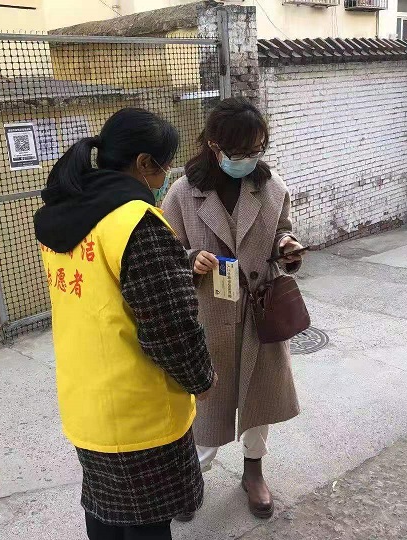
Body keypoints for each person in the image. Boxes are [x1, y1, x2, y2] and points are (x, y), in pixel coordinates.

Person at [34, 108, 216, 540]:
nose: (165, 176)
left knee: (105, 512)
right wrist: (201, 378)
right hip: (140, 414)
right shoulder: (136, 223)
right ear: (143, 163)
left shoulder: (67, 215)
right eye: (164, 165)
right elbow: (169, 327)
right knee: (146, 523)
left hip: (86, 402)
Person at [161, 97, 303, 520]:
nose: (250, 159)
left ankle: (253, 473)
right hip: (209, 312)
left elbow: (281, 234)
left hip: (260, 309)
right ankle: (192, 477)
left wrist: (287, 247)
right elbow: (166, 250)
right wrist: (190, 260)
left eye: (258, 149)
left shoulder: (272, 187)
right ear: (214, 146)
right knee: (208, 400)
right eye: (240, 151)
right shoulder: (183, 192)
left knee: (260, 397)